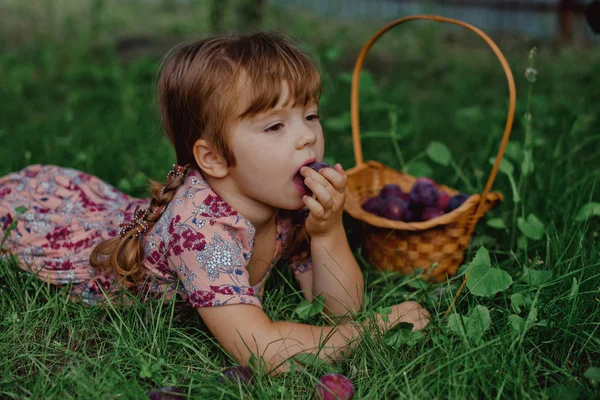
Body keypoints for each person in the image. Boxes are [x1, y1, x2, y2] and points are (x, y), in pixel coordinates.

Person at [0, 32, 430, 375]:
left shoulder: (287, 202)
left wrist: (328, 231)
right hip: (32, 217)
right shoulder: (203, 233)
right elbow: (262, 351)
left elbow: (340, 311)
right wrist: (372, 331)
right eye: (276, 125)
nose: (306, 137)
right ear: (214, 158)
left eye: (311, 116)